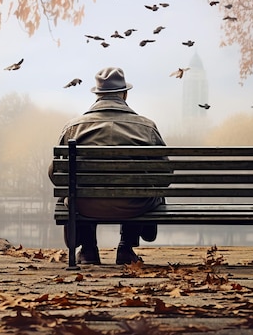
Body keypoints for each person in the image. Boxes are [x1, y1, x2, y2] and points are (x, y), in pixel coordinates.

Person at [50, 67, 166, 265]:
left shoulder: (73, 127)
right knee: (143, 189)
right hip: (135, 205)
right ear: (125, 94)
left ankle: (88, 251)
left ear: (97, 95)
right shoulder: (146, 126)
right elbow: (165, 174)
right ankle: (125, 248)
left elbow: (56, 174)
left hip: (85, 205)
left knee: (76, 190)